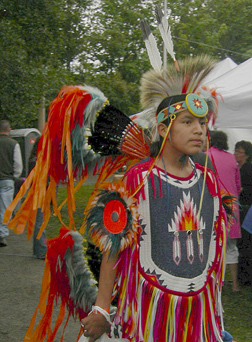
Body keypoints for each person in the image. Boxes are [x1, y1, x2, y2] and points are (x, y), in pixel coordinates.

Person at [81, 56, 232, 342]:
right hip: (149, 315)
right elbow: (113, 247)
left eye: (201, 122)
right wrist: (102, 308)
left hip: (199, 314)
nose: (199, 130)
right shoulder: (138, 180)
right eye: (187, 122)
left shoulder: (209, 181)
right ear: (163, 129)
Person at [208, 131, 241, 292]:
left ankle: (215, 284)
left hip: (213, 204)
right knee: (231, 247)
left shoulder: (206, 155)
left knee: (212, 247)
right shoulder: (232, 158)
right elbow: (238, 185)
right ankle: (235, 285)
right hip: (232, 206)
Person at [0, 119, 23, 247]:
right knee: (4, 207)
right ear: (9, 130)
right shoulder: (13, 144)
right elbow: (18, 164)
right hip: (7, 179)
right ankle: (2, 234)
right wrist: (15, 176)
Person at [234, 140, 252, 286]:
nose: (236, 153)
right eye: (236, 150)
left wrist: (241, 190)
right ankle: (241, 275)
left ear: (246, 154)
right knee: (240, 243)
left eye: (239, 151)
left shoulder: (249, 169)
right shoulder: (236, 167)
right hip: (238, 207)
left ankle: (246, 277)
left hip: (247, 208)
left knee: (246, 243)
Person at [28, 137, 47, 259]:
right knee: (41, 220)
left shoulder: (33, 159)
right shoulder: (43, 161)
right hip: (43, 191)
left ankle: (38, 249)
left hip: (38, 191)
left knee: (39, 219)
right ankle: (41, 251)